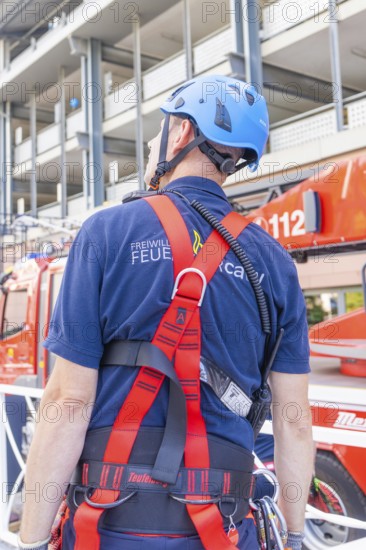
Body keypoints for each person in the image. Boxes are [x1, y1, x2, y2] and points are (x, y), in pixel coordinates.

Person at [19, 75, 313, 550]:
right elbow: (294, 420)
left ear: (180, 133)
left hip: (108, 523)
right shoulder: (274, 263)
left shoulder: (106, 233)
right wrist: (296, 535)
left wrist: (31, 540)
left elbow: (66, 404)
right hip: (223, 526)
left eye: (160, 132)